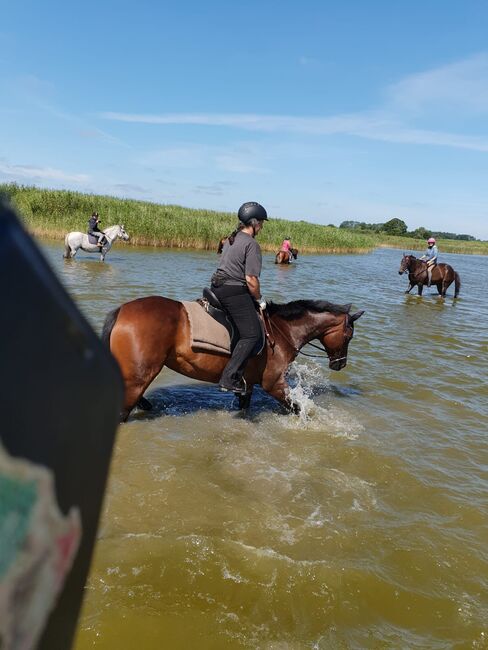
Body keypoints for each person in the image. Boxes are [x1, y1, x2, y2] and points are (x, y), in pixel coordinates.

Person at [210, 201, 268, 394]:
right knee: (252, 334)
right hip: (232, 290)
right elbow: (251, 279)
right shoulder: (251, 244)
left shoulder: (231, 239)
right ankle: (229, 378)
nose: (261, 226)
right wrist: (260, 299)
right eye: (261, 223)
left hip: (216, 286)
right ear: (254, 223)